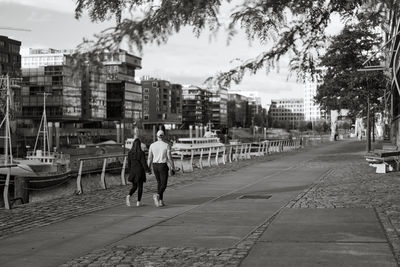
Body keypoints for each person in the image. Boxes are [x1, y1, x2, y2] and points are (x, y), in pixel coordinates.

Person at [148, 130, 175, 207]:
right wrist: (173, 167)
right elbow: (169, 157)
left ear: (157, 136)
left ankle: (160, 201)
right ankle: (157, 195)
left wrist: (148, 168)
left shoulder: (152, 145)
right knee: (164, 184)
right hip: (162, 165)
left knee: (159, 183)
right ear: (163, 136)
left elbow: (149, 158)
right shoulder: (166, 145)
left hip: (155, 165)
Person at [126, 138, 151, 207]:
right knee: (140, 187)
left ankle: (128, 195)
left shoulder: (130, 153)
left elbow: (129, 164)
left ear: (133, 144)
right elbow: (143, 163)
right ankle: (138, 202)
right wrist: (148, 170)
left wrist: (130, 171)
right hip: (140, 172)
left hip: (133, 171)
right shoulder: (141, 153)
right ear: (139, 145)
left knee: (134, 186)